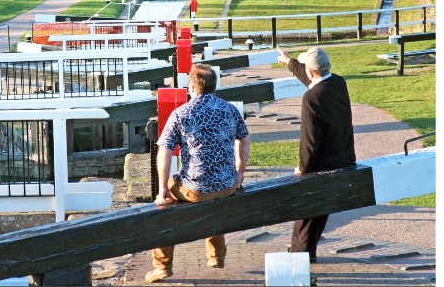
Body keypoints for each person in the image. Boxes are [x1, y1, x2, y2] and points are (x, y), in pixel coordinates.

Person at [147, 62, 250, 283]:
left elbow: (164, 151)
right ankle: (216, 257)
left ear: (191, 87)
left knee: (164, 211)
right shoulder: (230, 109)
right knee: (214, 193)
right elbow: (245, 139)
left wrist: (163, 189)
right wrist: (240, 172)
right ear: (214, 86)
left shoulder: (181, 114)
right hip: (227, 186)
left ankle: (162, 267)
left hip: (195, 189)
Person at [274, 46, 356, 265]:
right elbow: (311, 76)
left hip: (322, 166)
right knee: (318, 212)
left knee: (306, 213)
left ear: (310, 73)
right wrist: (289, 61)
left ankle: (300, 258)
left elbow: (309, 141)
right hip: (344, 159)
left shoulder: (311, 98)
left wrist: (302, 168)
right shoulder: (338, 83)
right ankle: (305, 253)